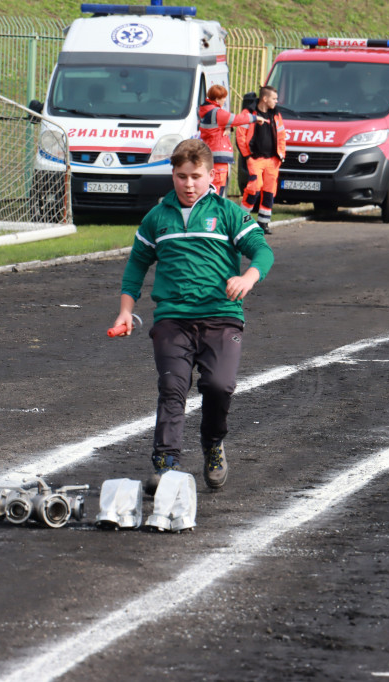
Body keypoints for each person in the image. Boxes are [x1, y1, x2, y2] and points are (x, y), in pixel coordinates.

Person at [112, 138, 274, 493]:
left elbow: (261, 250)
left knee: (219, 386)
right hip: (173, 319)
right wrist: (126, 311)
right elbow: (136, 265)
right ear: (172, 174)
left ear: (211, 175)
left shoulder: (228, 212)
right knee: (173, 387)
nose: (188, 184)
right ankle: (165, 463)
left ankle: (213, 444)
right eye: (181, 176)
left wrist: (248, 276)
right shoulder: (158, 217)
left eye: (196, 176)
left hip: (221, 317)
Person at [235, 85, 286, 235]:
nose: (276, 102)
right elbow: (240, 136)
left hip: (273, 160)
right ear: (265, 98)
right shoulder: (249, 113)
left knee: (270, 191)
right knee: (254, 188)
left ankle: (263, 223)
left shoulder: (275, 115)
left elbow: (282, 136)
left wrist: (281, 155)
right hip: (255, 159)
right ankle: (242, 220)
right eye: (274, 99)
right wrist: (248, 156)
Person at [197, 84, 262, 197]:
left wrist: (228, 127)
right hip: (218, 159)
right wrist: (255, 118)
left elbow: (217, 126)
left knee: (211, 189)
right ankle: (213, 214)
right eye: (224, 98)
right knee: (216, 191)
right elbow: (237, 119)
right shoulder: (217, 112)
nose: (225, 100)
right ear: (217, 99)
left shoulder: (206, 111)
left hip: (209, 155)